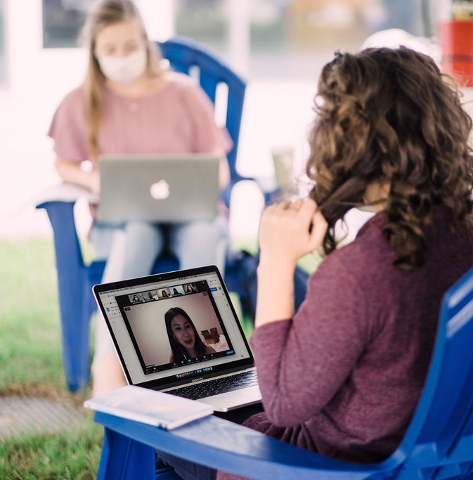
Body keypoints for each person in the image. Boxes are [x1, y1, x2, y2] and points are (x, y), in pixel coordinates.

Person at [156, 46, 473, 479]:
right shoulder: (460, 230)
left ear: (351, 145)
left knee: (155, 423)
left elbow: (285, 405)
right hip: (425, 458)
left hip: (319, 466)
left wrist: (276, 261)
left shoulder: (360, 273)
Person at [47, 0, 232, 397]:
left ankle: (205, 371)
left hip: (191, 218)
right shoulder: (82, 100)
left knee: (203, 234)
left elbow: (219, 169)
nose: (121, 57)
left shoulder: (184, 94)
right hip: (122, 224)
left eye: (129, 46)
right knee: (137, 233)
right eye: (110, 49)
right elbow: (63, 163)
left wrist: (202, 183)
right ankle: (110, 367)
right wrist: (96, 182)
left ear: (145, 43)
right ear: (94, 51)